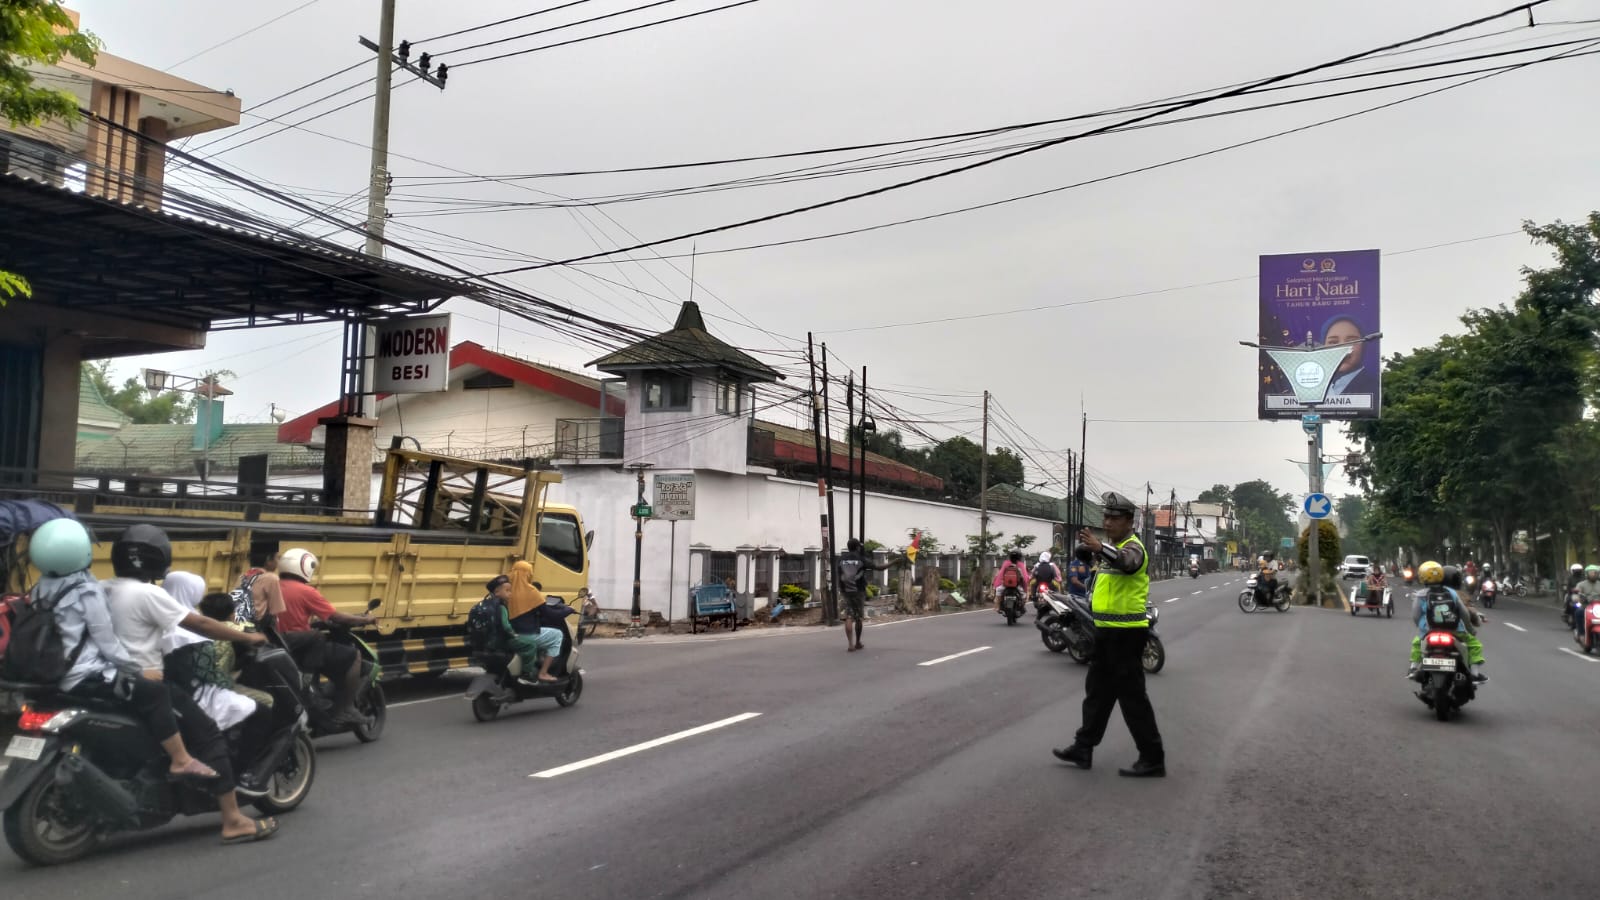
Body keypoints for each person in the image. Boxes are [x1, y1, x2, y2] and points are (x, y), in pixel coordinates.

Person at [102, 525, 277, 844]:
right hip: (146, 683)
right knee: (209, 735)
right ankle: (233, 820)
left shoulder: (103, 588)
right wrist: (248, 637)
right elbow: (201, 624)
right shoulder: (149, 594)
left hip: (107, 680)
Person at [25, 520, 220, 786]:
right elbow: (107, 642)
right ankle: (181, 759)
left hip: (50, 671)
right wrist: (137, 671)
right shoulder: (86, 591)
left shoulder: (41, 586)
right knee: (156, 693)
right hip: (82, 674)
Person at [1053, 492, 1165, 778]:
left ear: (1129, 522)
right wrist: (1094, 551)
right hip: (1105, 632)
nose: (1108, 522)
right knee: (1097, 693)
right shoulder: (1109, 551)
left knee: (1132, 698)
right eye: (1106, 517)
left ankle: (1152, 758)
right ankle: (1083, 747)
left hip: (1127, 635)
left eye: (1114, 518)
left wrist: (1100, 547)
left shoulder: (1134, 548)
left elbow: (1128, 563)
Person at [275, 548, 375, 725]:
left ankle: (313, 687)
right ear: (305, 567)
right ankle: (346, 709)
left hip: (278, 645)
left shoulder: (272, 586)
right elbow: (336, 617)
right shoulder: (306, 591)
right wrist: (365, 619)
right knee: (355, 656)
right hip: (301, 647)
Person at [1407, 561, 1486, 683]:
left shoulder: (1421, 595)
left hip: (1430, 631)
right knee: (1475, 645)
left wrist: (1422, 628)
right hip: (1455, 630)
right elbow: (1464, 613)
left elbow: (1416, 616)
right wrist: (1470, 629)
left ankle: (1413, 668)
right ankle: (1475, 674)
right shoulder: (1452, 593)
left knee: (1417, 643)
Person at [503, 561, 562, 683]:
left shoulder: (506, 591)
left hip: (508, 633)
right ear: (528, 574)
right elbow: (549, 614)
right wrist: (568, 611)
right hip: (525, 634)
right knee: (557, 635)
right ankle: (543, 673)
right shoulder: (531, 591)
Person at [836, 538, 897, 652]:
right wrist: (893, 562)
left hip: (844, 591)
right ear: (857, 547)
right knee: (858, 617)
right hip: (858, 591)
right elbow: (880, 567)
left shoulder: (841, 559)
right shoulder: (861, 559)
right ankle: (858, 642)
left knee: (848, 617)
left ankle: (850, 644)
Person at [237, 540, 286, 625]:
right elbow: (276, 610)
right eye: (277, 558)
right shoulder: (271, 578)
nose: (278, 562)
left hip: (238, 625)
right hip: (256, 626)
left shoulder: (242, 577)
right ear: (268, 559)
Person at [1575, 565, 1600, 635]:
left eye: (1595, 573)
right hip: (1586, 606)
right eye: (1591, 573)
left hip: (1598, 607)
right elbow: (1577, 593)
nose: (1593, 574)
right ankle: (1581, 633)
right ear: (1586, 574)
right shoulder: (1581, 584)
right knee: (1578, 612)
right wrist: (1577, 597)